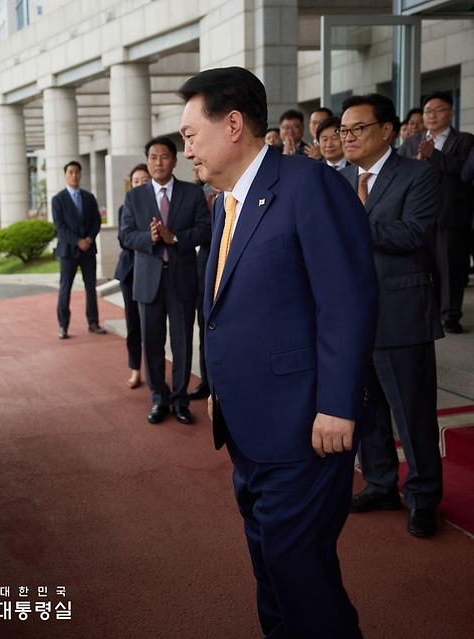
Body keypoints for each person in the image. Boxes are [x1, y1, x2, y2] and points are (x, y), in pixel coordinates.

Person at [178, 67, 378, 638]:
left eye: (191, 134)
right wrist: (218, 388)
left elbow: (347, 299)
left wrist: (339, 404)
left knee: (297, 569)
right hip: (249, 427)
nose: (184, 147)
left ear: (233, 125)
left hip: (305, 427)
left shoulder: (308, 185)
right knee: (272, 566)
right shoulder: (223, 206)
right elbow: (225, 312)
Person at [338, 93, 443, 538]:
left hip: (400, 314)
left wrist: (354, 223)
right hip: (351, 319)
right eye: (343, 130)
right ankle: (381, 483)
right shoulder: (337, 181)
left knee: (413, 415)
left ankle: (423, 498)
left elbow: (414, 234)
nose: (347, 137)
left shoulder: (418, 174)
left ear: (386, 130)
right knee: (369, 412)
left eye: (357, 128)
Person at [119, 137, 211, 425]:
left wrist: (176, 238)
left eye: (164, 157)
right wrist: (151, 238)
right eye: (153, 157)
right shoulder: (134, 197)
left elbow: (205, 230)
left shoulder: (191, 194)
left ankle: (180, 400)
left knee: (182, 343)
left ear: (175, 160)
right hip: (148, 281)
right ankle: (159, 399)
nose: (158, 162)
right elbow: (125, 235)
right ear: (148, 161)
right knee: (153, 342)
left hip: (182, 278)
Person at [399, 91, 474, 333]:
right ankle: (427, 311)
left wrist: (435, 155)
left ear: (451, 113)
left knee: (450, 268)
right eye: (427, 111)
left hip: (449, 214)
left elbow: (465, 172)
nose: (432, 115)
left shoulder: (464, 140)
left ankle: (450, 315)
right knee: (422, 266)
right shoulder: (412, 141)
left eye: (438, 110)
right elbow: (398, 169)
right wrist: (418, 157)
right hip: (418, 215)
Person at [52, 160, 106, 338]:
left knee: (91, 287)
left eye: (77, 172)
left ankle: (93, 322)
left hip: (88, 249)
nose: (74, 175)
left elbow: (96, 221)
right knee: (65, 288)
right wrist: (77, 241)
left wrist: (89, 239)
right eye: (70, 172)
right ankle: (63, 326)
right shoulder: (58, 199)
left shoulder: (89, 197)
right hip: (68, 251)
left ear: (81, 175)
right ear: (65, 175)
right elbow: (60, 226)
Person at [115, 164, 151, 388]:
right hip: (130, 271)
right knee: (133, 325)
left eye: (144, 180)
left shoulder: (159, 206)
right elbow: (123, 239)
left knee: (151, 326)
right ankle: (135, 369)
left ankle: (153, 371)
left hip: (152, 271)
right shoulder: (124, 208)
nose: (139, 184)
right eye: (136, 181)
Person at [190, 183, 218, 401]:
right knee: (205, 330)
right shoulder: (200, 193)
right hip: (205, 270)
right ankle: (206, 382)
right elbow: (198, 231)